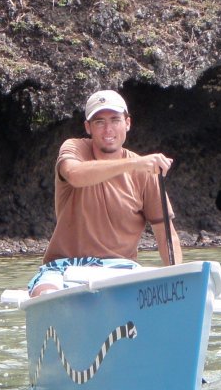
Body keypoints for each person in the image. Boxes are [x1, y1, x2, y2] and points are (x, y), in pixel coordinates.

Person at [27, 89, 182, 297]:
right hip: (65, 266)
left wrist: (177, 280)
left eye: (115, 120)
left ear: (127, 123)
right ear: (88, 127)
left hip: (120, 268)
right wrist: (136, 163)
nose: (108, 129)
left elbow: (166, 233)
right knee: (44, 291)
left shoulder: (146, 172)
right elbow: (75, 174)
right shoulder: (74, 148)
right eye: (99, 122)